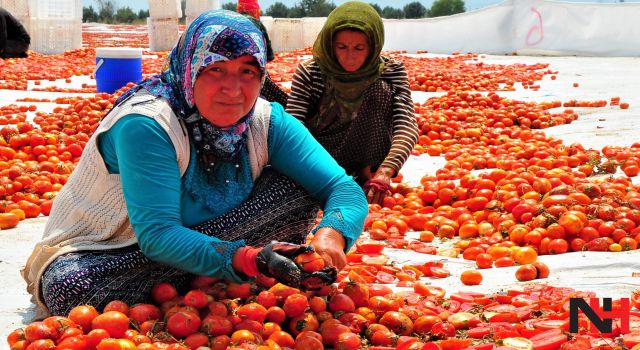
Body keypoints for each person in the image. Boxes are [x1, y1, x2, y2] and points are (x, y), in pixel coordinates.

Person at [22, 10, 368, 317]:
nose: (233, 88)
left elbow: (341, 187)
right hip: (117, 250)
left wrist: (333, 233)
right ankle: (221, 274)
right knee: (72, 287)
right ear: (189, 68)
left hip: (220, 236)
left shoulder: (267, 121)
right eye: (215, 68)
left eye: (248, 70)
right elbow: (157, 235)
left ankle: (205, 276)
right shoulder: (148, 124)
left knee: (301, 190)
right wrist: (249, 260)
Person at [286, 1, 419, 205]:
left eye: (359, 48)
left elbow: (407, 124)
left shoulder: (391, 71)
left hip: (370, 153)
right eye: (342, 47)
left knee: (379, 89)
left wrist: (385, 170)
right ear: (331, 44)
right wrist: (314, 172)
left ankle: (367, 170)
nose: (350, 57)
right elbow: (293, 127)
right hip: (320, 157)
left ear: (373, 46)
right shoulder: (311, 72)